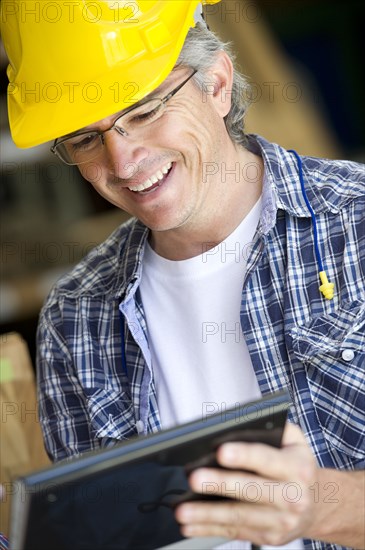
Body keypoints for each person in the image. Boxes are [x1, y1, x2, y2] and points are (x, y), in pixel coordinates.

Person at [1, 1, 364, 549]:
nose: (122, 162)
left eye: (144, 111)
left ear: (217, 84)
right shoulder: (76, 318)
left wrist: (322, 505)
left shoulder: (356, 228)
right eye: (84, 139)